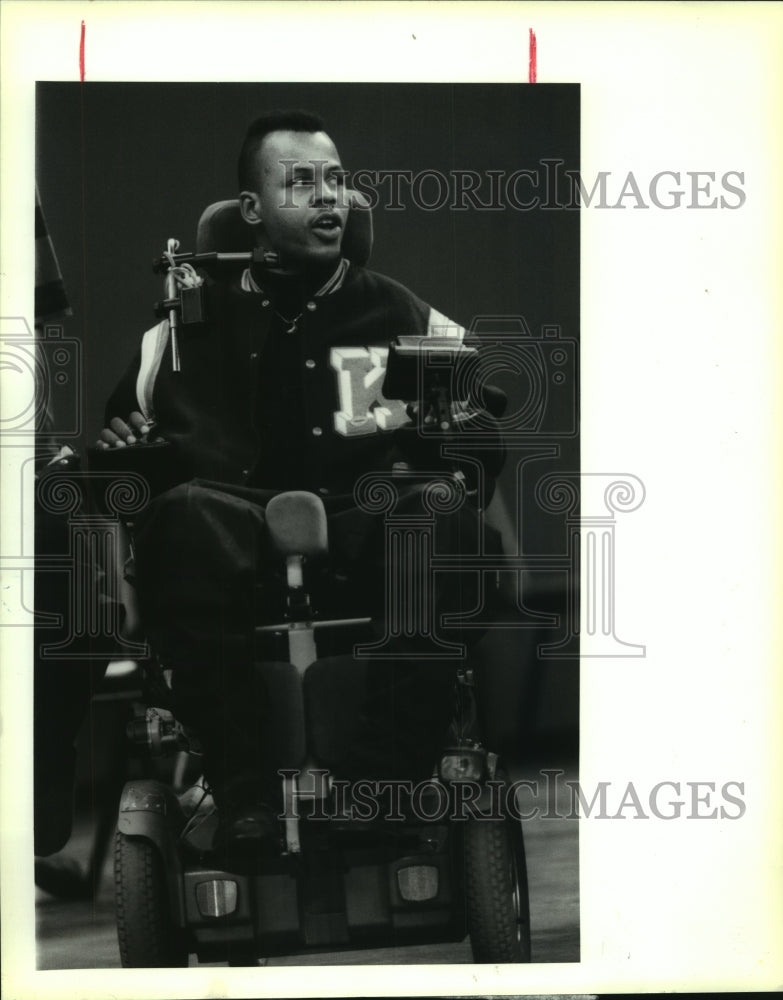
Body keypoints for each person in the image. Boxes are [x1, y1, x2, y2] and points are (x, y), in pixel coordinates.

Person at [95, 110, 504, 855]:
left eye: (338, 181)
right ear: (251, 210)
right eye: (302, 182)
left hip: (368, 520)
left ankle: (380, 790)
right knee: (181, 518)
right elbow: (123, 450)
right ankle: (244, 793)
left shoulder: (402, 312)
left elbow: (482, 442)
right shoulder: (182, 326)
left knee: (437, 515)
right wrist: (127, 453)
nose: (329, 199)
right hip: (230, 527)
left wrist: (457, 431)